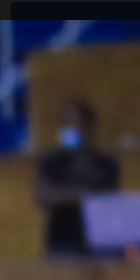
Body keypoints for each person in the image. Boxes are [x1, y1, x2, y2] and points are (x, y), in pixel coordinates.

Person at [36, 101, 121, 258]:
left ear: (89, 126)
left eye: (75, 124)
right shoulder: (53, 161)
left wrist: (70, 194)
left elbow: (108, 199)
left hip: (100, 244)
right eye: (66, 124)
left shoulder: (105, 162)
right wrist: (84, 193)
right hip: (63, 242)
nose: (70, 130)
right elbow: (44, 195)